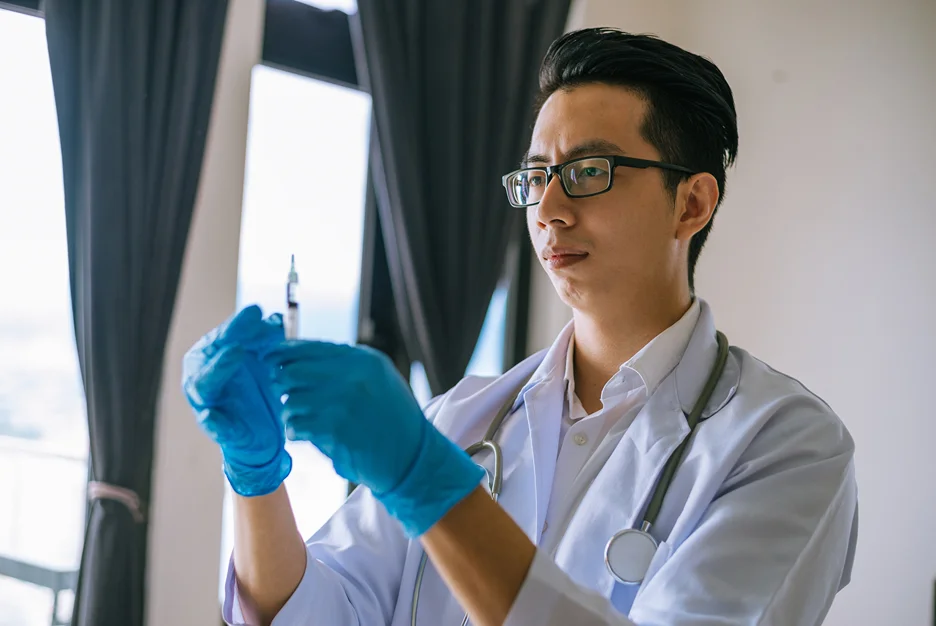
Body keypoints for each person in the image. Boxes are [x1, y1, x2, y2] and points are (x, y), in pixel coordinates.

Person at [183, 28, 858, 626]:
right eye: (537, 176)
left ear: (692, 203)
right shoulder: (463, 420)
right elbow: (316, 613)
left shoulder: (785, 446)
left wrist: (424, 480)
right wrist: (256, 479)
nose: (550, 209)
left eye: (590, 171)